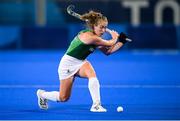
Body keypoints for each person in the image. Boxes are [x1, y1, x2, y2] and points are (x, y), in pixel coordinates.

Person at [37, 10, 129, 112]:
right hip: (67, 65)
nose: (103, 30)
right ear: (94, 26)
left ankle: (96, 105)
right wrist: (115, 37)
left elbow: (108, 52)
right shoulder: (89, 37)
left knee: (91, 74)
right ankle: (42, 94)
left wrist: (121, 42)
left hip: (80, 62)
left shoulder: (97, 38)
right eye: (101, 27)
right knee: (63, 98)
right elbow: (109, 43)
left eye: (105, 27)